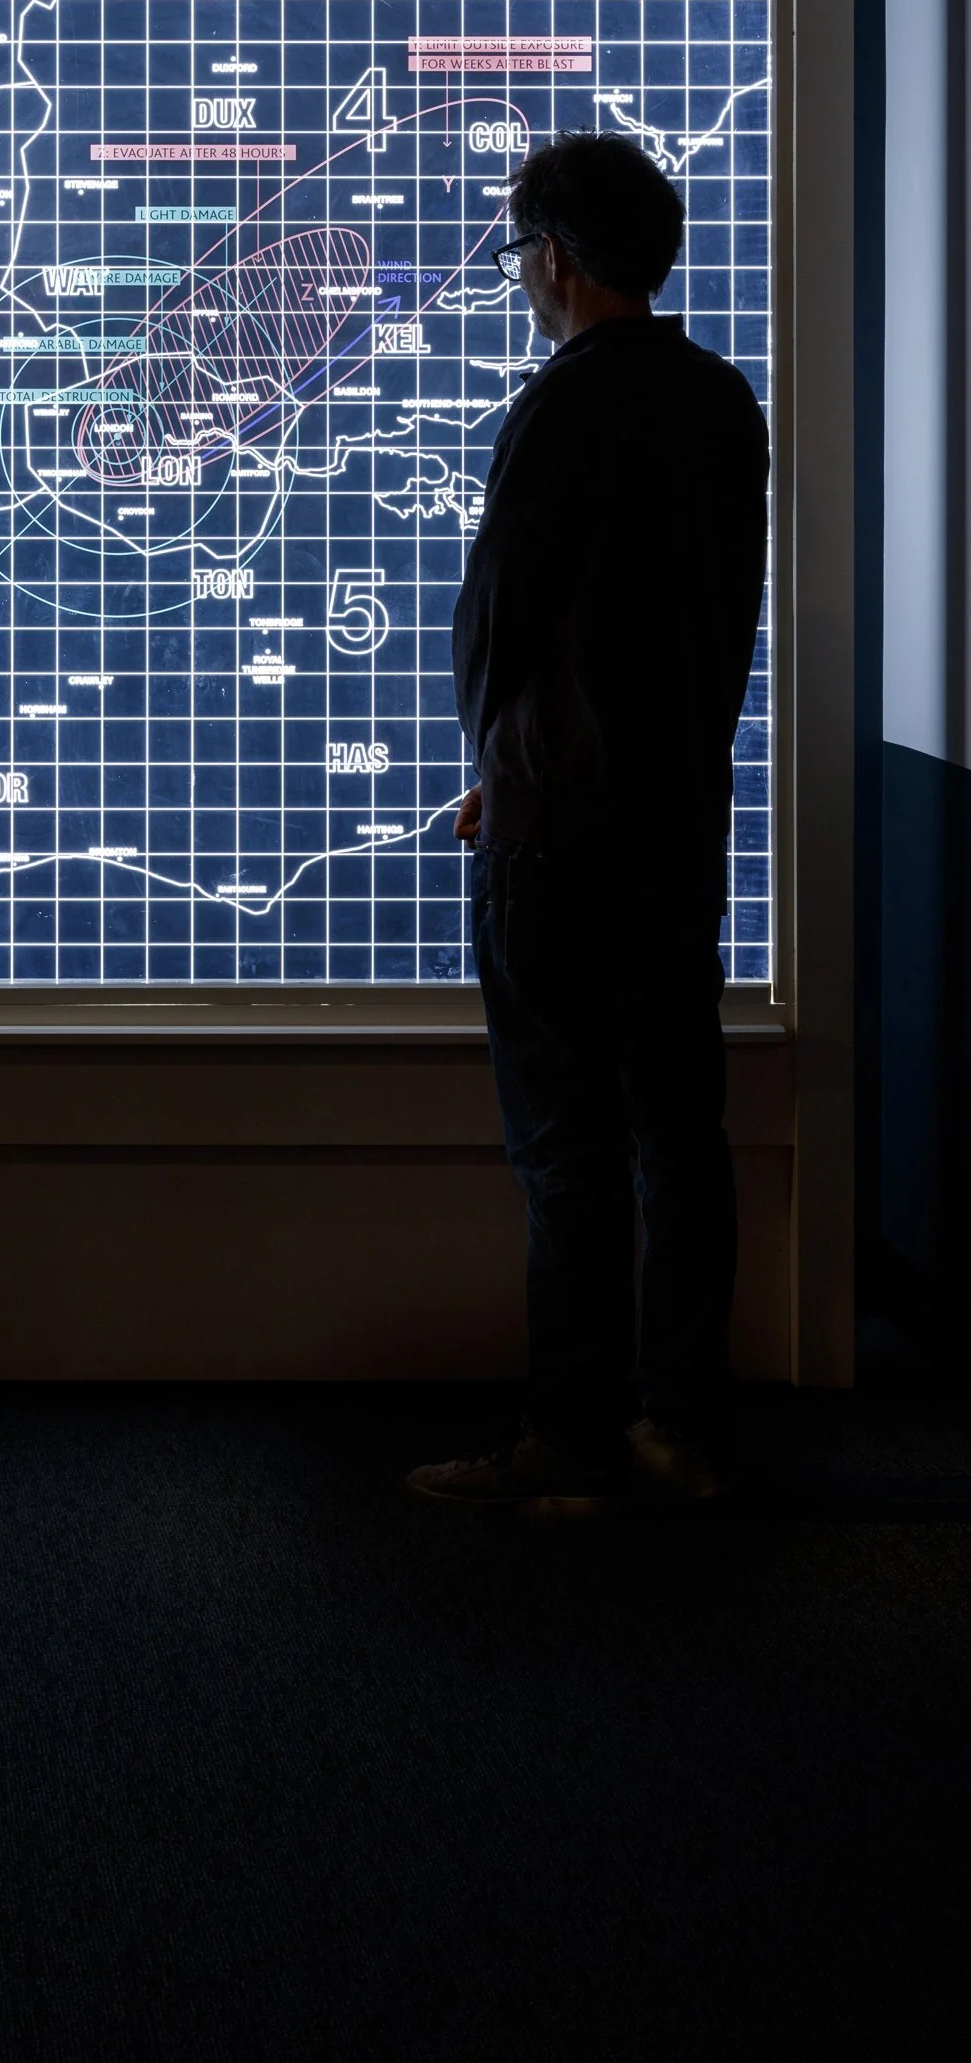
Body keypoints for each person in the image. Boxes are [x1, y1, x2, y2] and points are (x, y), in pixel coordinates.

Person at [407, 132, 769, 1516]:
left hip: (554, 839)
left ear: (553, 259)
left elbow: (503, 618)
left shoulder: (562, 408)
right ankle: (684, 1437)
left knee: (563, 1147)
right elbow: (704, 630)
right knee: (676, 1134)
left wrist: (508, 763)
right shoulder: (716, 398)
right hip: (675, 828)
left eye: (518, 255)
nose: (518, 278)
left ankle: (566, 1441)